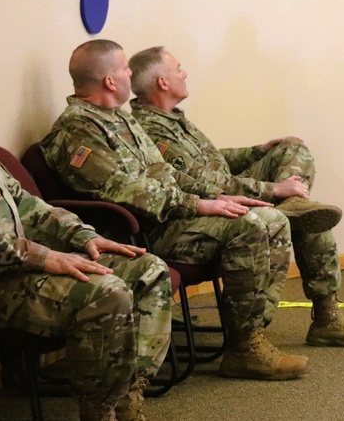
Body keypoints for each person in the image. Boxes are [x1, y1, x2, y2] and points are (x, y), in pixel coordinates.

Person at [40, 40, 307, 382]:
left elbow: (168, 175)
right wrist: (197, 204)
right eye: (125, 69)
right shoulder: (78, 129)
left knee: (270, 218)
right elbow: (123, 190)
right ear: (109, 81)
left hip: (172, 218)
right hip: (142, 233)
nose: (130, 75)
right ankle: (244, 348)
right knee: (251, 226)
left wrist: (219, 195)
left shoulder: (121, 120)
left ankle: (249, 336)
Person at [0, 44, 171, 421]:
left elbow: (24, 203)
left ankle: (126, 396)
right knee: (105, 293)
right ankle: (99, 413)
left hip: (16, 270)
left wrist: (81, 236)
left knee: (147, 270)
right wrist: (45, 256)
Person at [127, 46, 344, 347]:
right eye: (178, 68)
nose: (185, 73)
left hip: (218, 198)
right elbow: (202, 183)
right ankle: (318, 317)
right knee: (296, 217)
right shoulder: (150, 128)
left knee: (291, 151)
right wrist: (271, 190)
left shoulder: (172, 118)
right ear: (162, 82)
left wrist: (258, 151)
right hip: (190, 218)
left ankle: (296, 216)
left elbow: (212, 162)